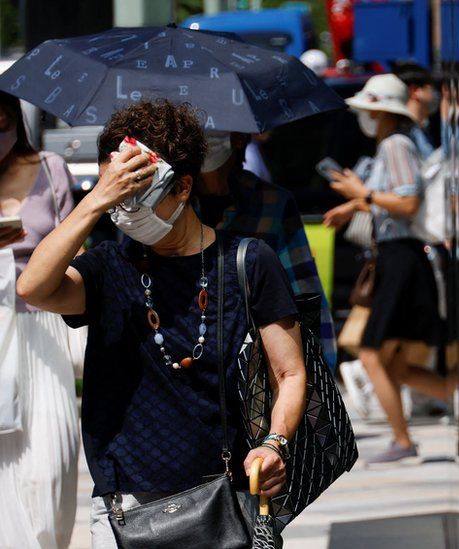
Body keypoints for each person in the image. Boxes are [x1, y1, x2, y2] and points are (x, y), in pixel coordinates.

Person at [16, 100, 307, 548]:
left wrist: (274, 443)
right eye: (117, 193)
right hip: (124, 507)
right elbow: (33, 288)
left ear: (183, 186)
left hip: (222, 498)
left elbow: (289, 372)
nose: (126, 209)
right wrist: (93, 201)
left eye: (137, 191)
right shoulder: (107, 267)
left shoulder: (247, 261)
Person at [324, 75, 444, 465]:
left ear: (382, 111)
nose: (366, 116)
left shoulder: (395, 145)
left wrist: (364, 196)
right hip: (398, 257)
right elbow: (392, 200)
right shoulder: (391, 145)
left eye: (370, 109)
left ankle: (403, 440)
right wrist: (356, 205)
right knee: (394, 363)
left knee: (373, 354)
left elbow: (407, 203)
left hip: (400, 258)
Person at [0, 92, 79, 548]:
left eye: (3, 121)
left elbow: (76, 243)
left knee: (52, 465)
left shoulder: (50, 168)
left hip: (44, 326)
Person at [196, 130, 338, 370]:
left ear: (239, 138)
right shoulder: (165, 206)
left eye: (214, 128)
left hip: (253, 374)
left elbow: (304, 293)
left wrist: (320, 369)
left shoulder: (271, 203)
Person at [393, 61, 439, 161]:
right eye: (431, 88)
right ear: (414, 91)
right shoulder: (407, 135)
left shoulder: (420, 129)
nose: (435, 93)